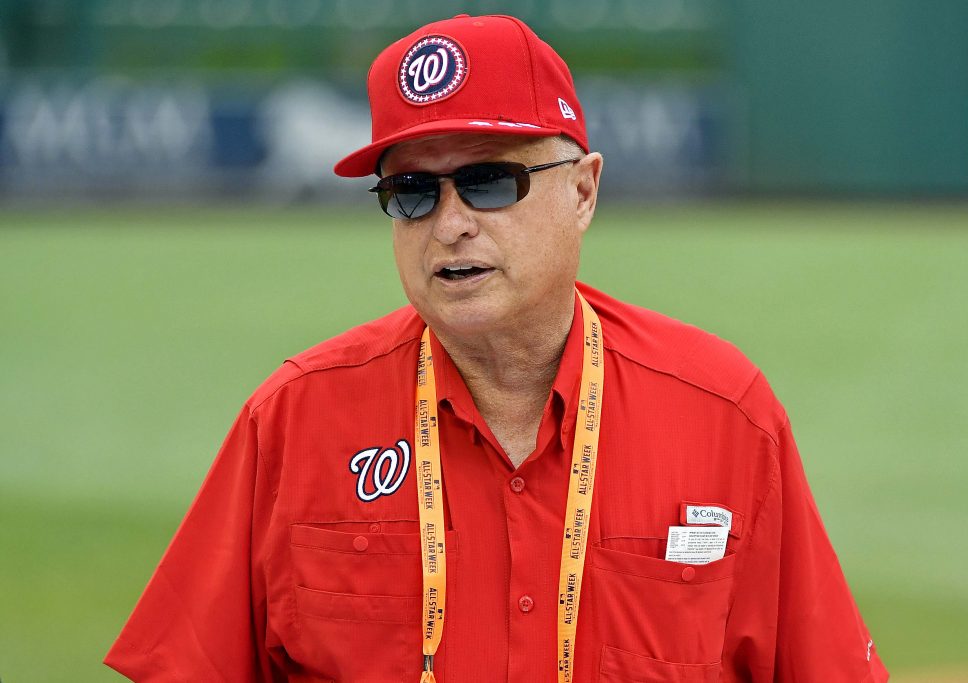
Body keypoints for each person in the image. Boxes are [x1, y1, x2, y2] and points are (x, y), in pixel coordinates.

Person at [106, 14, 889, 683]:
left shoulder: (724, 412)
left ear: (582, 192)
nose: (449, 223)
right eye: (411, 191)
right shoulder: (296, 414)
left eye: (488, 181)